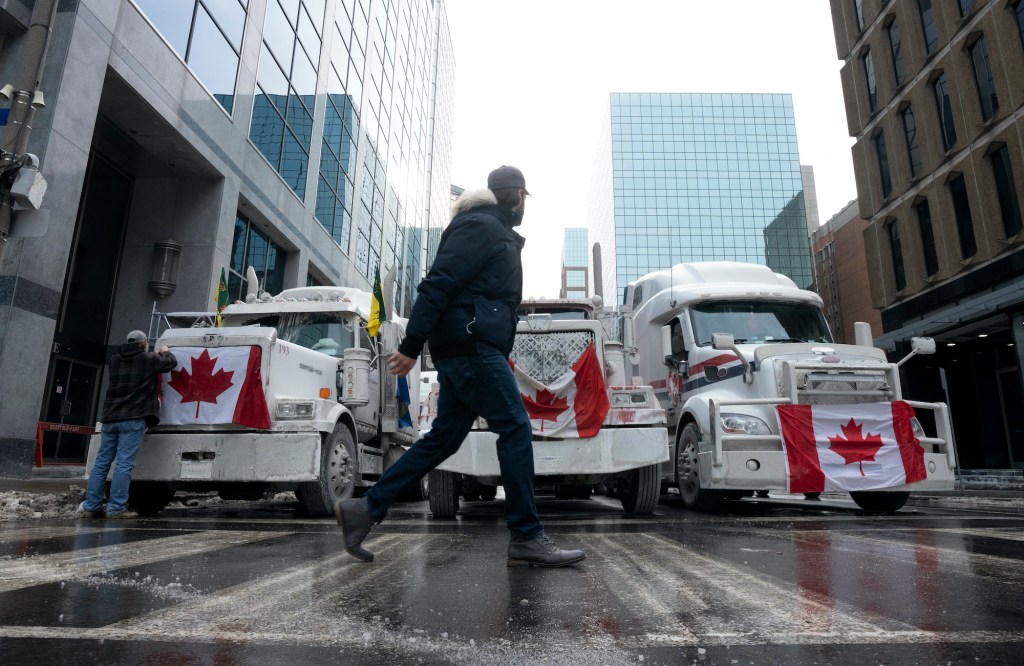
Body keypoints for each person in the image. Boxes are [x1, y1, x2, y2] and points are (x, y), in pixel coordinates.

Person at [335, 165, 585, 568]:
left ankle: (365, 510)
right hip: (471, 346)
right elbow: (439, 283)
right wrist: (412, 343)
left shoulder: (487, 227)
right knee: (516, 427)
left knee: (444, 439)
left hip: (467, 345)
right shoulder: (482, 226)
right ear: (518, 195)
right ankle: (526, 536)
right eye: (524, 199)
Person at [77, 330, 177, 519]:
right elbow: (171, 363)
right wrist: (165, 351)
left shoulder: (114, 360)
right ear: (143, 344)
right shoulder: (149, 359)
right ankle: (116, 507)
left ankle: (91, 506)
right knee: (123, 464)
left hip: (111, 418)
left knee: (101, 464)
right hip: (133, 418)